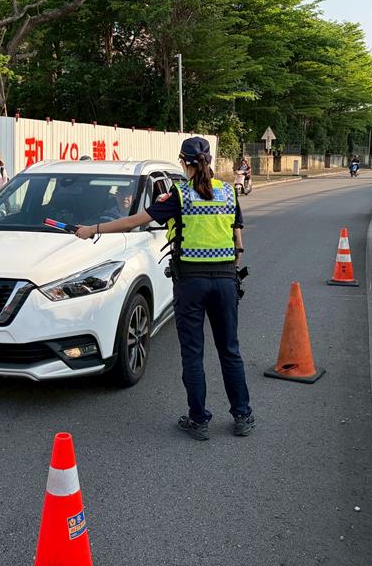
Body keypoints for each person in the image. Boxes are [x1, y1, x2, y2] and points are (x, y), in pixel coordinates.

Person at [74, 137, 253, 440]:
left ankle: (199, 420)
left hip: (191, 284)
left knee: (193, 354)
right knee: (230, 351)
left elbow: (135, 220)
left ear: (184, 163)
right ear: (209, 160)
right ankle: (242, 416)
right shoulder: (227, 193)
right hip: (225, 281)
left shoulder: (179, 196)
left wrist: (93, 230)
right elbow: (239, 246)